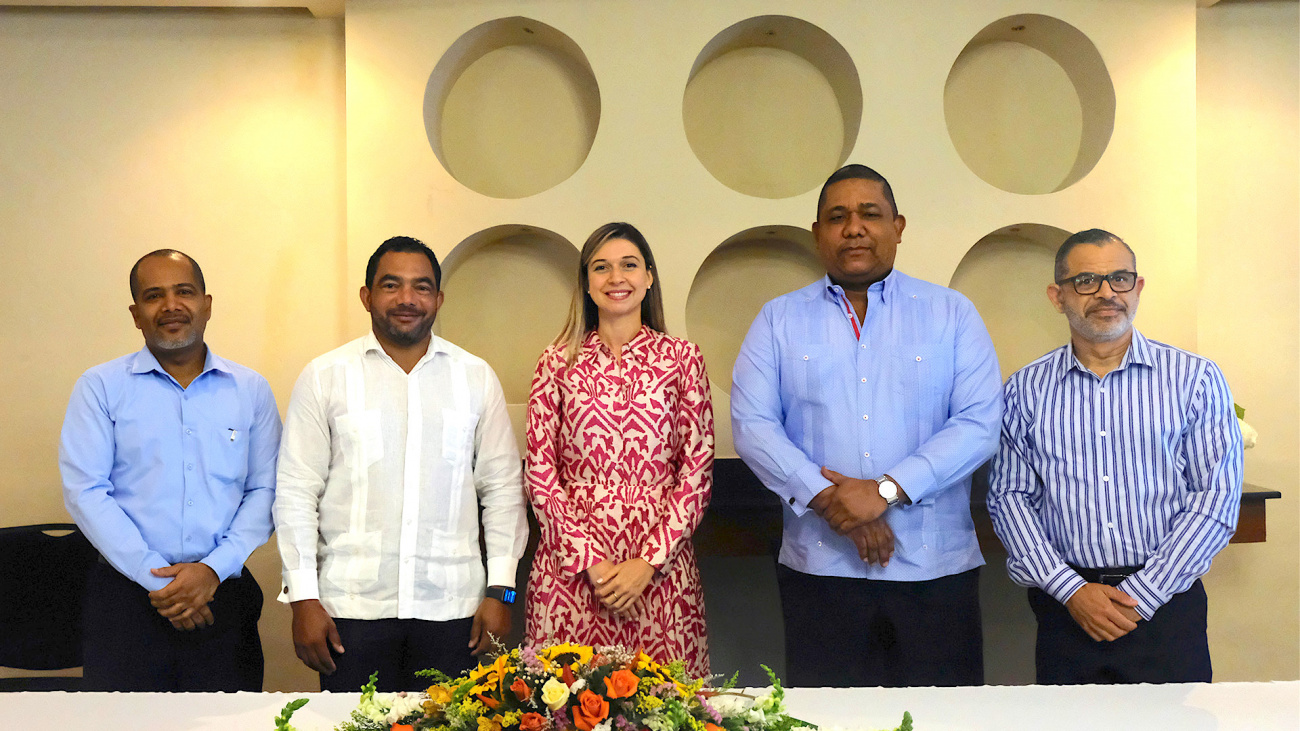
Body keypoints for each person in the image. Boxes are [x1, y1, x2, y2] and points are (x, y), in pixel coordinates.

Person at [731, 164, 1003, 687]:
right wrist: (835, 502)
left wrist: (885, 490)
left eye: (869, 214)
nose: (853, 227)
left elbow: (978, 424)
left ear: (898, 226)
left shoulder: (952, 314)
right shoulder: (777, 319)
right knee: (830, 721)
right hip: (821, 570)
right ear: (817, 234)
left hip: (935, 571)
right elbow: (753, 425)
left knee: (943, 723)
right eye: (837, 217)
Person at [987, 228, 1243, 684]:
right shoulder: (1025, 389)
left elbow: (1215, 498)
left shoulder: (1195, 379)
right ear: (1058, 295)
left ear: (1138, 288)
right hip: (1066, 607)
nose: (1107, 293)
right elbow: (1008, 498)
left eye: (1120, 279)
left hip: (1166, 608)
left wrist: (1141, 595)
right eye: (1086, 281)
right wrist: (1072, 591)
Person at [274, 236, 528, 692]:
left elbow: (503, 491)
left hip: (455, 612)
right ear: (367, 296)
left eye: (422, 287)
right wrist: (303, 599)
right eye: (391, 285)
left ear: (439, 299)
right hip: (349, 612)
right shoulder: (325, 377)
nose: (407, 299)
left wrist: (502, 593)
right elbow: (295, 492)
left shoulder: (474, 377)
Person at [59, 249, 279, 691]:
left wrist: (212, 571)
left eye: (184, 292)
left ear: (207, 304)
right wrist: (158, 581)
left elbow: (266, 490)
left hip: (223, 597)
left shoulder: (250, 389)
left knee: (228, 724)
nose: (171, 306)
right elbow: (86, 491)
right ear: (136, 313)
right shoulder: (100, 387)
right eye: (153, 296)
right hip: (126, 600)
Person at [524, 222, 714, 676]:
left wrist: (647, 563)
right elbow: (540, 472)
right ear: (586, 283)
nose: (616, 278)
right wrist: (591, 562)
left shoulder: (683, 357)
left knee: (666, 711)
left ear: (648, 277)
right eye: (601, 268)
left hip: (660, 574)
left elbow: (697, 471)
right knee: (561, 710)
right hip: (571, 572)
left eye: (629, 265)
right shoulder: (557, 361)